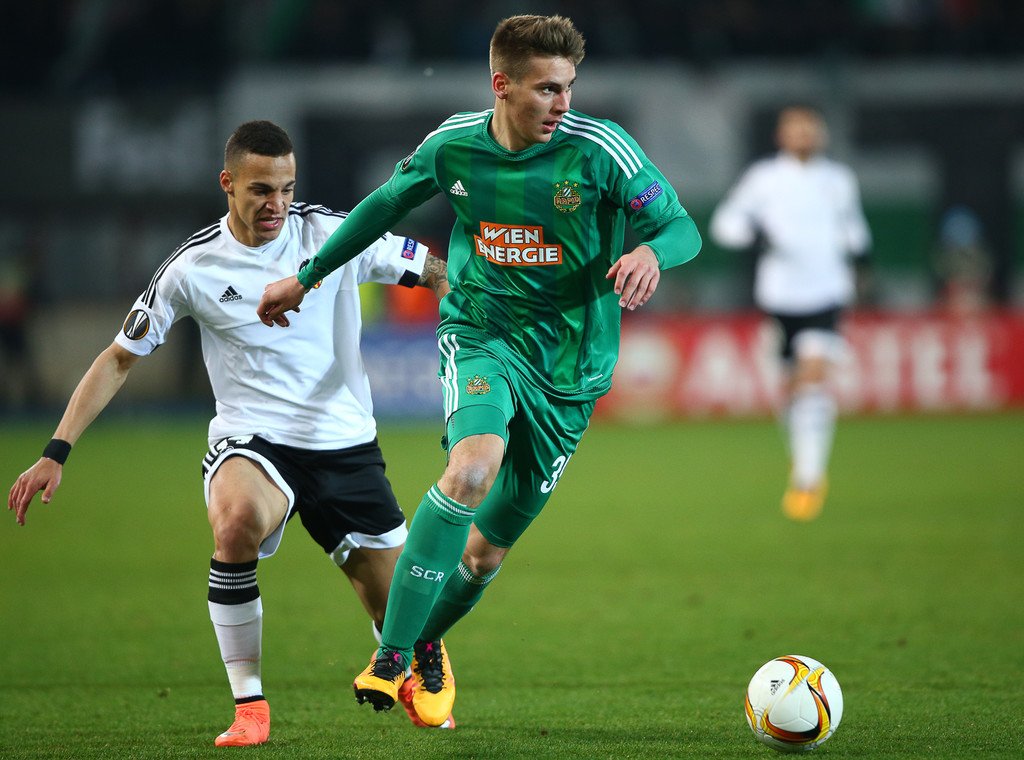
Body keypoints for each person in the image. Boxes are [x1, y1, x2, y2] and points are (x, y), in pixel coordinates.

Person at [256, 15, 702, 726]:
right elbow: (381, 207)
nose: (563, 104)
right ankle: (391, 655)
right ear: (502, 84)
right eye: (547, 89)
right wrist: (305, 278)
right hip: (482, 332)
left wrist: (651, 252)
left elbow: (681, 227)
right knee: (470, 470)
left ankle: (423, 641)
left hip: (572, 370)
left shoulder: (600, 150)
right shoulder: (453, 146)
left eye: (569, 88)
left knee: (486, 554)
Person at [6, 120, 453, 746]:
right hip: (254, 442)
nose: (277, 204)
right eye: (261, 190)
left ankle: (409, 657)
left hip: (345, 446)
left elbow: (434, 268)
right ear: (228, 183)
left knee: (400, 611)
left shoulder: (334, 234)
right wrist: (56, 451)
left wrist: (458, 307)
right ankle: (250, 706)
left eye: (287, 189)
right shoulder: (193, 266)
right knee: (237, 520)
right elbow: (118, 358)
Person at [709, 105, 871, 521]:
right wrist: (756, 235)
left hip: (828, 292)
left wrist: (861, 267)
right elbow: (725, 224)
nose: (804, 135)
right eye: (796, 129)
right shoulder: (764, 179)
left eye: (811, 129)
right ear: (781, 136)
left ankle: (808, 479)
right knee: (790, 388)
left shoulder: (838, 179)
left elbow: (855, 230)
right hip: (780, 296)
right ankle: (804, 457)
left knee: (813, 378)